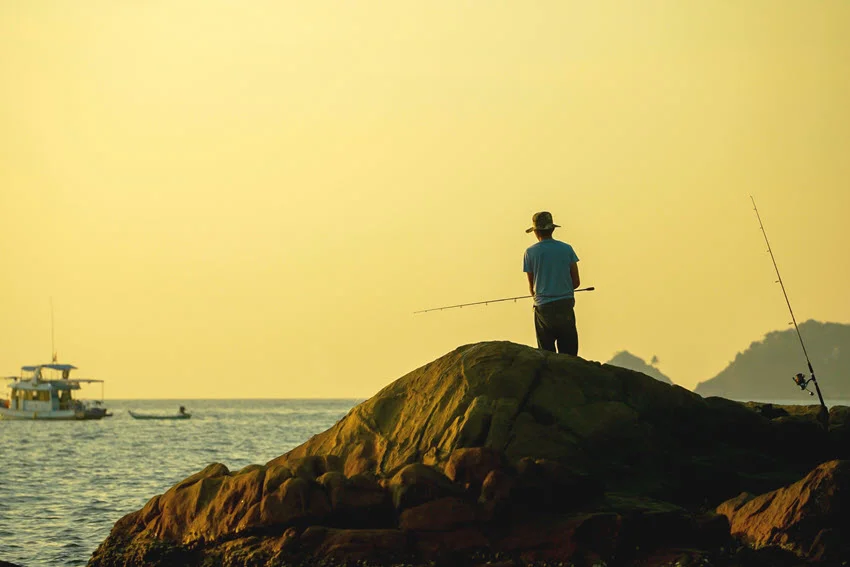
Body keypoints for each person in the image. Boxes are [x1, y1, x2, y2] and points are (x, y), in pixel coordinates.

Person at [523, 211, 581, 355]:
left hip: (543, 307)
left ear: (536, 232)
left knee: (546, 354)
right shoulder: (567, 249)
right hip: (565, 305)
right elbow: (576, 282)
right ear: (553, 229)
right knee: (569, 353)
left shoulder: (530, 252)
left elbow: (532, 288)